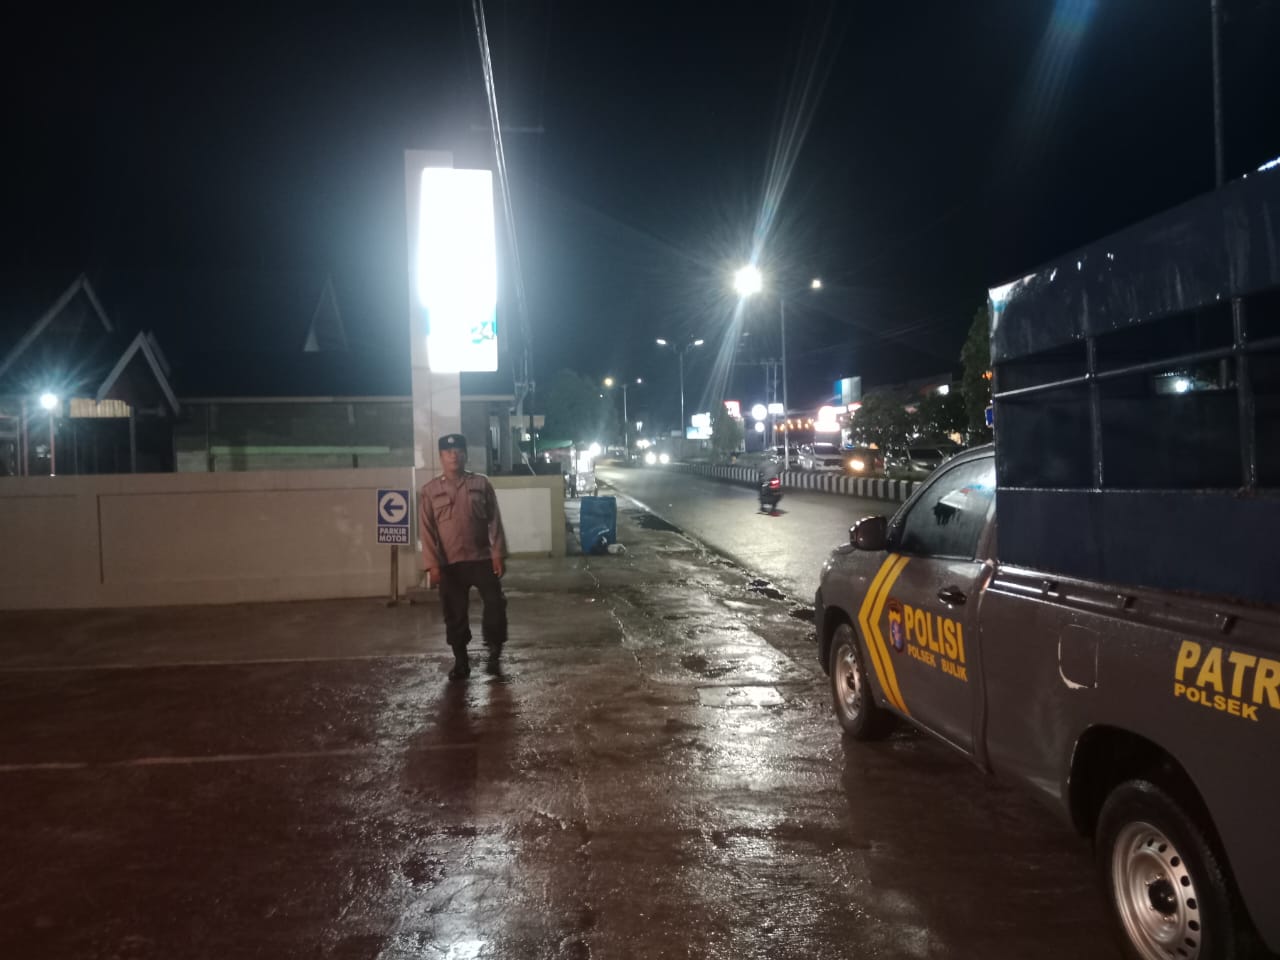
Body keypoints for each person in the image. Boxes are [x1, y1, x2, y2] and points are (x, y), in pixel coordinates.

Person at [418, 433, 509, 680]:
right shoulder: (430, 491)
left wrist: (498, 553)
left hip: (481, 558)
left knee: (496, 603)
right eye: (448, 452)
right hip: (450, 563)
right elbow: (426, 530)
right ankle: (461, 662)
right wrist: (432, 565)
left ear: (465, 454)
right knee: (455, 613)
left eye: (458, 451)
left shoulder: (480, 483)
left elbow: (494, 520)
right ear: (441, 457)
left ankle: (494, 653)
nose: (453, 455)